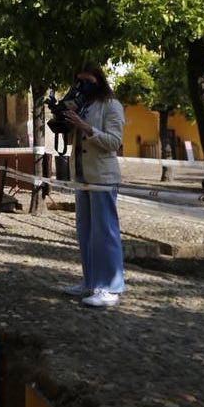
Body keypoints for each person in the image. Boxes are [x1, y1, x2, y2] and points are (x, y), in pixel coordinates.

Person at [60, 61, 126, 308]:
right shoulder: (83, 105)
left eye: (88, 81)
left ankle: (110, 287)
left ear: (99, 80)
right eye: (80, 81)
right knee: (86, 232)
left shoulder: (111, 105)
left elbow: (114, 142)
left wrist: (86, 128)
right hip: (83, 177)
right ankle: (90, 281)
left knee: (105, 233)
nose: (83, 85)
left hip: (103, 178)